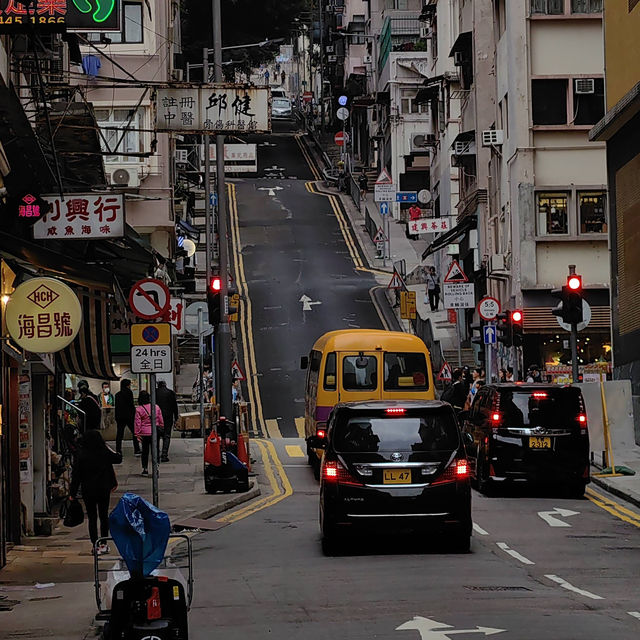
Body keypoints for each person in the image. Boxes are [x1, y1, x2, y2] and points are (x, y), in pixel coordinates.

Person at [69, 429, 121, 555]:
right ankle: (104, 543)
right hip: (103, 489)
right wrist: (109, 448)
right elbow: (118, 458)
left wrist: (72, 493)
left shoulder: (81, 455)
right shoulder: (104, 452)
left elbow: (76, 476)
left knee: (92, 517)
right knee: (103, 516)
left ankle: (95, 544)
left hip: (88, 490)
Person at [134, 390, 164, 477]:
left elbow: (137, 423)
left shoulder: (139, 409)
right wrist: (161, 426)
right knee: (156, 450)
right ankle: (156, 467)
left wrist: (137, 433)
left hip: (144, 433)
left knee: (145, 451)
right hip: (155, 432)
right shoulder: (156, 407)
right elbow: (160, 419)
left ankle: (145, 469)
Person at [114, 379, 140, 457]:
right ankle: (137, 449)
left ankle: (118, 450)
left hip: (120, 417)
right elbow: (131, 405)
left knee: (119, 434)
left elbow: (117, 407)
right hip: (129, 416)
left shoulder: (117, 394)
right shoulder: (129, 393)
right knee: (134, 433)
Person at [156, 381, 179, 463]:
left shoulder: (154, 392)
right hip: (168, 418)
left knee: (156, 436)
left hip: (156, 418)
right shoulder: (170, 393)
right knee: (167, 436)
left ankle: (156, 455)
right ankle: (164, 455)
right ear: (165, 385)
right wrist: (176, 417)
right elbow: (174, 406)